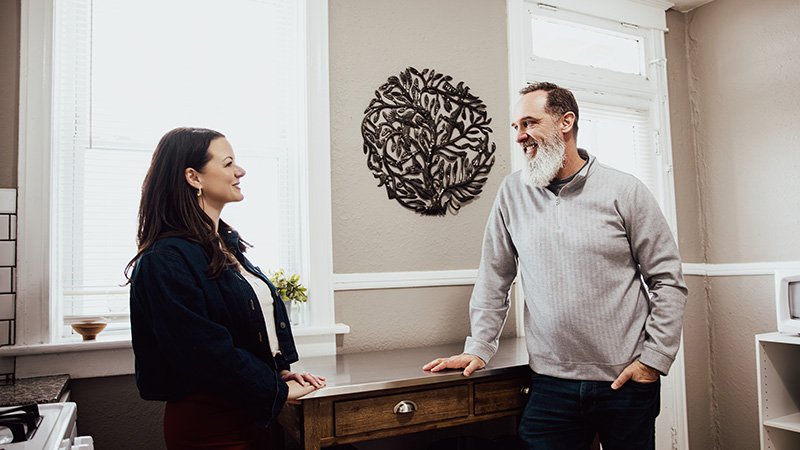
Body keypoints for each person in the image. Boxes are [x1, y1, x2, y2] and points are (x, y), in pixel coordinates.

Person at [423, 82, 687, 450]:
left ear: (566, 122)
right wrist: (479, 347)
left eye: (529, 123)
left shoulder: (625, 190)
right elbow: (494, 277)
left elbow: (667, 280)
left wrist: (654, 360)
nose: (520, 135)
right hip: (550, 384)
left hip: (625, 381)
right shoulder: (512, 192)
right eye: (516, 126)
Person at [125, 127, 325, 449]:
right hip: (211, 426)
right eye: (228, 163)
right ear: (194, 177)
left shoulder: (226, 246)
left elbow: (241, 331)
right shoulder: (165, 260)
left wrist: (276, 375)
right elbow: (203, 351)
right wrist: (276, 389)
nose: (240, 171)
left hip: (253, 413)